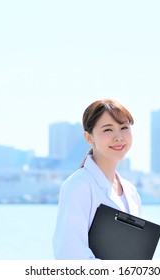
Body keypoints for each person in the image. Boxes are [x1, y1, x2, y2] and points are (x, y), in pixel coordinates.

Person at [52, 98, 142, 260]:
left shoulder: (131, 192)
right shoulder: (79, 185)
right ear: (89, 137)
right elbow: (69, 254)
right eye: (108, 130)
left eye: (124, 128)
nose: (119, 137)